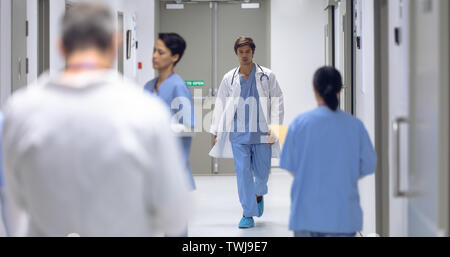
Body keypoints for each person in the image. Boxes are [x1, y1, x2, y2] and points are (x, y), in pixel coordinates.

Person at [1, 3, 192, 237]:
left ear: (60, 46)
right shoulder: (147, 113)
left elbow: (13, 208)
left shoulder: (19, 112)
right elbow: (174, 215)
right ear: (115, 44)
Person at [280, 66, 377, 237]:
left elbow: (289, 165)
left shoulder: (300, 124)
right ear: (340, 90)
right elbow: (368, 166)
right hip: (342, 216)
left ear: (314, 88)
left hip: (306, 214)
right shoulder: (355, 126)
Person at [210, 37, 284, 229]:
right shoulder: (229, 78)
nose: (244, 55)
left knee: (261, 176)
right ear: (236, 53)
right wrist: (216, 131)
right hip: (238, 134)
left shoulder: (267, 76)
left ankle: (258, 194)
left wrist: (276, 128)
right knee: (242, 173)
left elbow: (278, 101)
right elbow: (220, 105)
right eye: (241, 52)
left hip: (262, 133)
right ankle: (247, 214)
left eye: (247, 52)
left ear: (253, 52)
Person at [144, 33, 195, 191]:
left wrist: (162, 129)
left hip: (175, 170)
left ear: (174, 57)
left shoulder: (177, 86)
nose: (154, 56)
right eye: (154, 51)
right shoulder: (148, 87)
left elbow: (189, 126)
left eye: (160, 52)